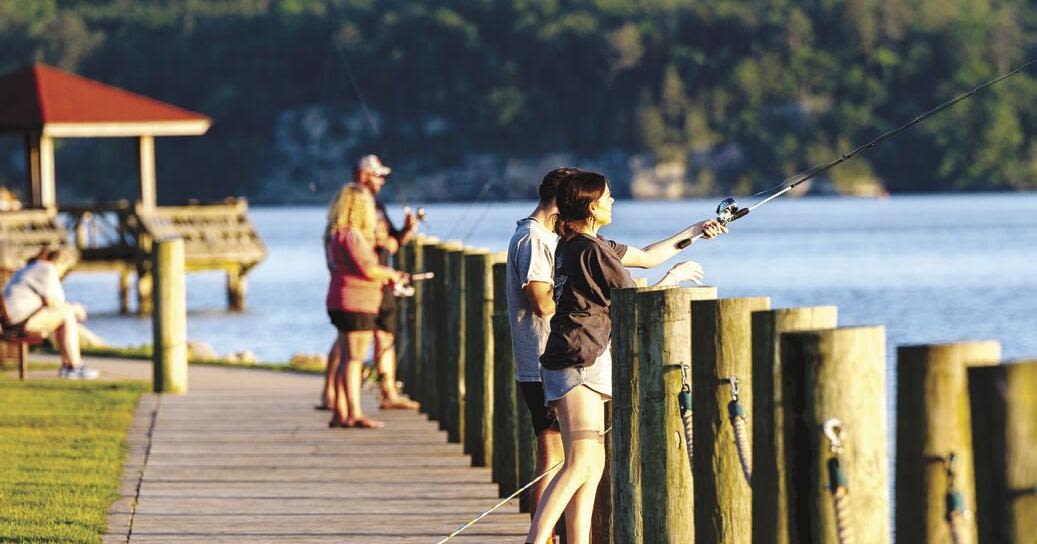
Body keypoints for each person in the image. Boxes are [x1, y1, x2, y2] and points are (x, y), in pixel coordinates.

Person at [526, 171, 726, 544]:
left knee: (592, 462)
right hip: (576, 360)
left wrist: (697, 230)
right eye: (608, 197)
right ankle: (536, 540)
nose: (613, 201)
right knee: (579, 462)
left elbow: (648, 256)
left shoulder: (583, 244)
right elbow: (634, 298)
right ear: (590, 206)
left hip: (578, 358)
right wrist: (675, 277)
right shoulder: (590, 250)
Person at [505, 167, 580, 533]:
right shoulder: (533, 238)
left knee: (562, 453)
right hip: (541, 361)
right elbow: (541, 301)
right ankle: (544, 535)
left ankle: (550, 533)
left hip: (546, 361)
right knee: (552, 453)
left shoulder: (542, 236)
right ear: (561, 199)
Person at [318, 154, 420, 411]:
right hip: (360, 290)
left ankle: (361, 401)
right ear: (364, 177)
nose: (383, 181)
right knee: (352, 352)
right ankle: (345, 406)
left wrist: (405, 231)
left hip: (362, 289)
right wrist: (391, 274)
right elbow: (366, 265)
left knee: (370, 340)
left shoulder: (351, 224)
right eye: (379, 175)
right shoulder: (351, 231)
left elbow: (392, 243)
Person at [324, 184, 408, 428]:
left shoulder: (336, 235)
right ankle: (354, 413)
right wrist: (392, 274)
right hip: (356, 302)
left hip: (340, 300)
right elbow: (368, 269)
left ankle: (340, 412)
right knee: (354, 360)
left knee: (345, 359)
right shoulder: (352, 236)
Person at [1, 247, 98, 379]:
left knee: (65, 314)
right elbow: (57, 302)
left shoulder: (27, 268)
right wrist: (77, 309)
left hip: (8, 322)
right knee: (67, 314)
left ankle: (69, 366)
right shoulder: (47, 269)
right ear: (61, 263)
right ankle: (73, 366)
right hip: (19, 323)